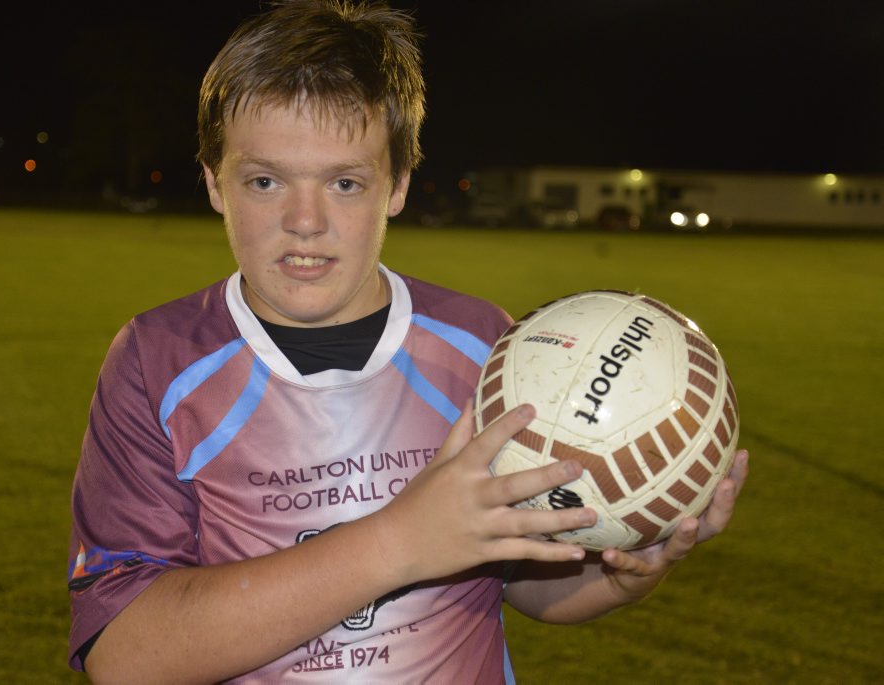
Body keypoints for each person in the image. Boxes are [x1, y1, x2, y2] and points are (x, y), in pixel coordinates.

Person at [67, 1, 749, 682]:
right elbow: (124, 655)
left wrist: (620, 576)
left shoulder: (489, 352)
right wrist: (398, 542)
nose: (305, 220)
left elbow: (521, 577)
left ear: (396, 185)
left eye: (344, 182)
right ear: (216, 181)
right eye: (265, 180)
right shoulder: (158, 361)